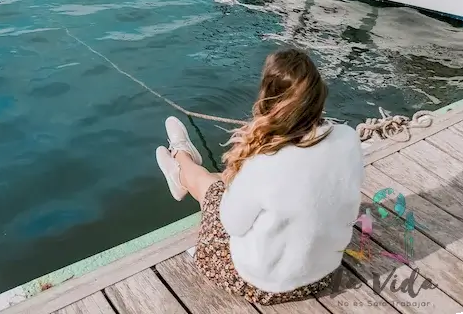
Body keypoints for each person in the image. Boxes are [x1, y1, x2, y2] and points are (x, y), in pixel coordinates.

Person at [155, 48, 364, 306]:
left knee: (213, 188)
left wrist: (239, 172)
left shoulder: (265, 160)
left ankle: (180, 160)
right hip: (323, 273)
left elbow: (231, 224)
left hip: (261, 284)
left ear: (268, 99)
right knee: (226, 184)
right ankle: (182, 167)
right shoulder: (348, 137)